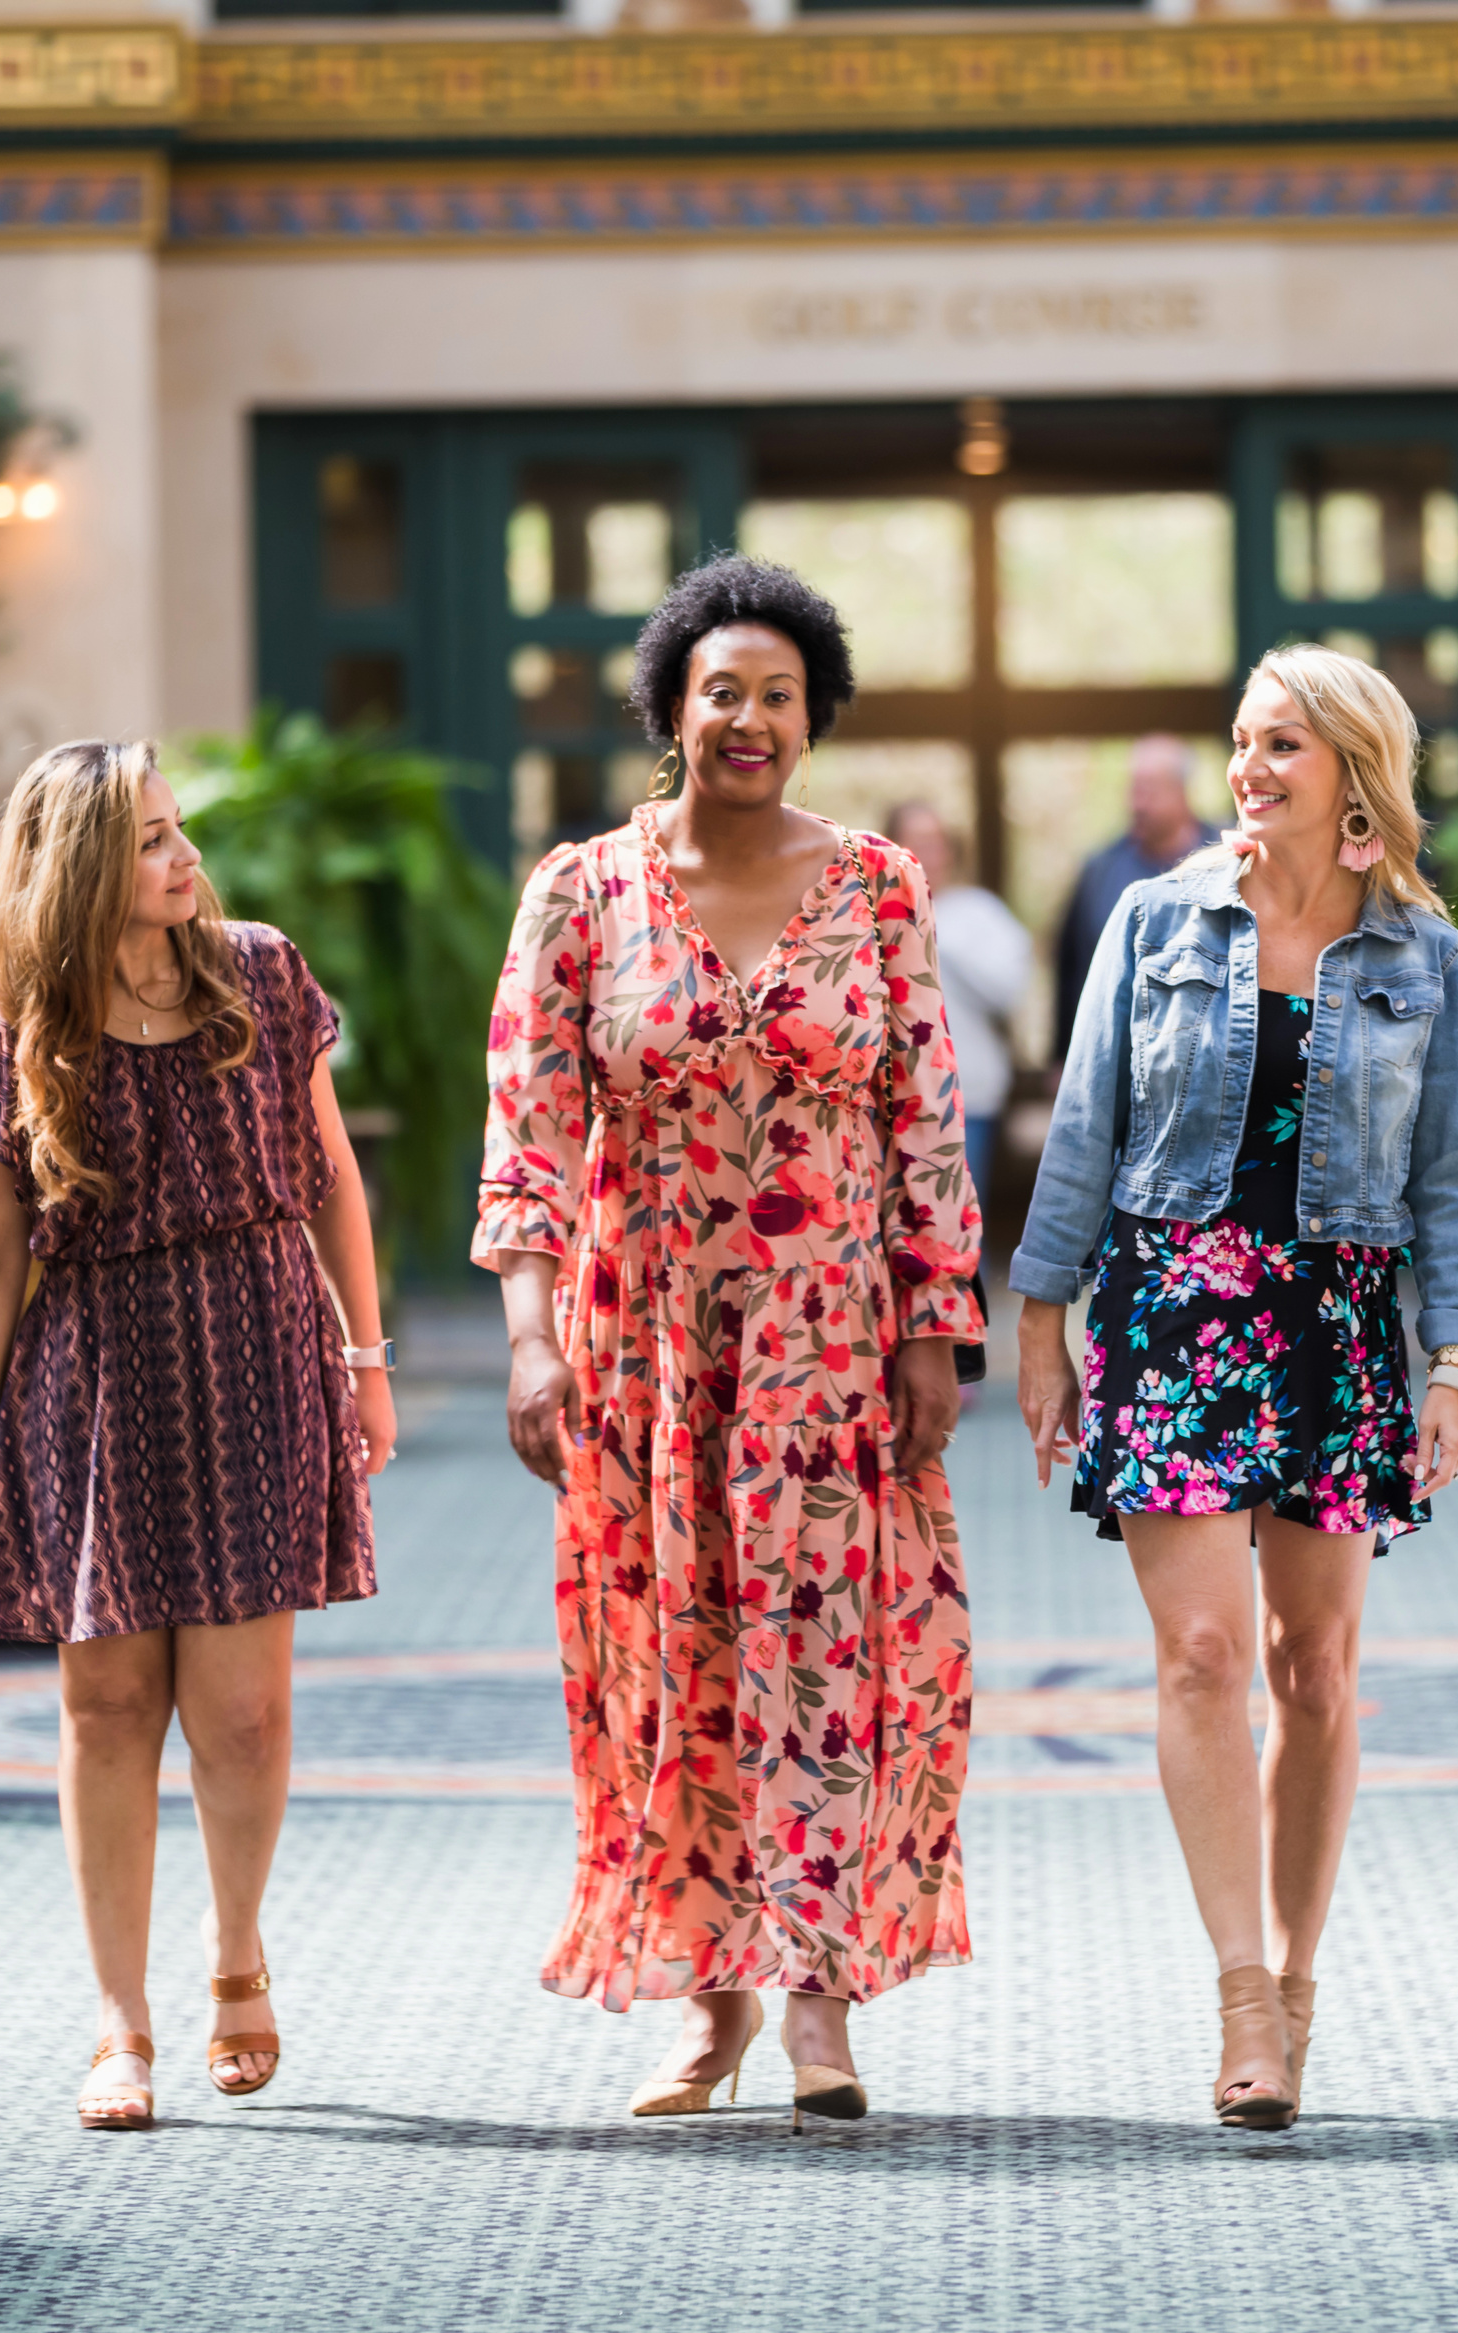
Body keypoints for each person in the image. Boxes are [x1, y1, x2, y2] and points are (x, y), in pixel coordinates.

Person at [479, 553, 983, 2132]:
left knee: (832, 1656)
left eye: (779, 695)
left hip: (828, 1347)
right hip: (647, 1354)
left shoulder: (880, 888)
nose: (750, 719)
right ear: (670, 710)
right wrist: (529, 1339)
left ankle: (821, 2002)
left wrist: (931, 1335)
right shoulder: (582, 891)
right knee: (674, 1661)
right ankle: (710, 2002)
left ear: (812, 716)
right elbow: (529, 1130)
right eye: (723, 693)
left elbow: (926, 1121)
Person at [1013, 645, 1458, 2132]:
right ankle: (1239, 1994)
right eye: (1243, 740)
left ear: (1356, 768)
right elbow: (1085, 1123)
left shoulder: (1426, 954)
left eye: (1283, 743)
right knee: (1206, 1655)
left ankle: (1297, 1978)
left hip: (1339, 1320)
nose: (1252, 768)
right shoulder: (1159, 920)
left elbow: (1457, 1173)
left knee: (1316, 1670)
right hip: (1176, 1307)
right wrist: (1042, 1313)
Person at [0, 737, 395, 2134]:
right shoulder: (25, 1034)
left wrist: (366, 1358)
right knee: (107, 1705)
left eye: (177, 826)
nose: (184, 852)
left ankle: (237, 1955)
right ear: (84, 867)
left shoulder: (259, 973)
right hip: (93, 1372)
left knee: (245, 1710)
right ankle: (119, 2019)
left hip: (258, 1347)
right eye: (151, 838)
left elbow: (332, 1178)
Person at [886, 798, 1033, 1199]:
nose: (927, 853)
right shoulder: (871, 916)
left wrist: (937, 936)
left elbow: (1009, 993)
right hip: (891, 1101)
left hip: (968, 1099)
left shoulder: (981, 913)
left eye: (936, 841)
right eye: (915, 841)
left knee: (961, 1225)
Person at [1052, 733, 1208, 1059]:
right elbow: (1069, 965)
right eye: (1134, 789)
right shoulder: (1100, 869)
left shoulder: (1221, 861)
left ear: (1181, 791)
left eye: (1150, 790)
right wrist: (1061, 1055)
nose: (1138, 803)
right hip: (1113, 1053)